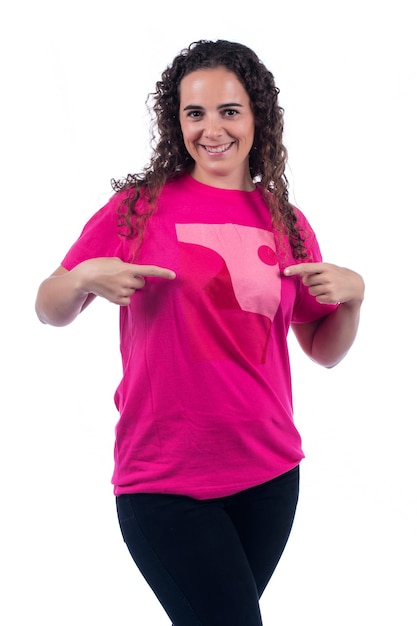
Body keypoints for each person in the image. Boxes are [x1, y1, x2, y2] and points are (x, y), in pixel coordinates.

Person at [35, 39, 365, 626]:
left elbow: (321, 351)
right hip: (163, 478)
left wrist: (355, 300)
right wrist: (85, 276)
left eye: (229, 111)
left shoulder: (286, 220)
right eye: (195, 113)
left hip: (268, 474)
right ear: (177, 122)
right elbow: (49, 307)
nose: (212, 129)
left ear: (257, 118)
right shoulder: (139, 208)